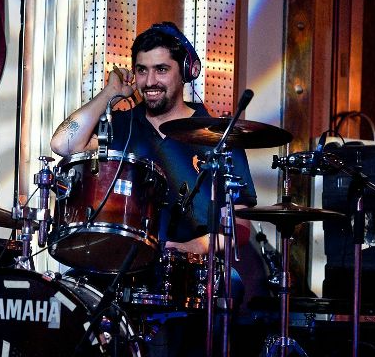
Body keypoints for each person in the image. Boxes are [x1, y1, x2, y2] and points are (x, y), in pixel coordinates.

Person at [50, 22, 256, 356]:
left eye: (161, 69)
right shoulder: (121, 125)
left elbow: (241, 227)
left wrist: (189, 247)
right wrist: (109, 94)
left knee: (229, 284)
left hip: (189, 270)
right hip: (122, 263)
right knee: (66, 299)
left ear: (185, 72)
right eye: (142, 70)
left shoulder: (219, 137)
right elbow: (62, 144)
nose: (150, 82)